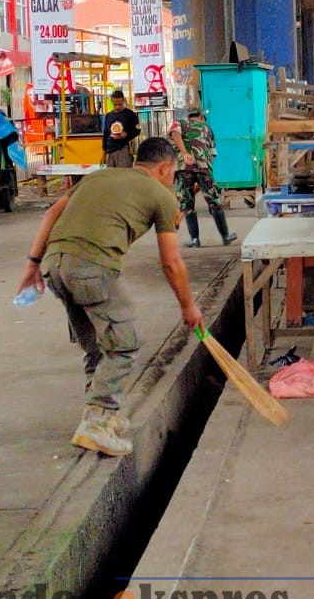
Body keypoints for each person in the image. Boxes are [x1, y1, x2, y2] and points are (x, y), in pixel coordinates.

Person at [16, 137, 204, 457]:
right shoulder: (161, 194)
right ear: (165, 167)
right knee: (124, 342)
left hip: (56, 265)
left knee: (96, 345)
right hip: (92, 267)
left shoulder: (98, 176)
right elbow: (171, 262)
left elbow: (51, 215)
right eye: (173, 173)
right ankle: (99, 419)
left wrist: (32, 264)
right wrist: (188, 306)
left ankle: (97, 416)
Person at [169, 107, 237, 247]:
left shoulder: (180, 123)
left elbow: (174, 133)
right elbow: (212, 153)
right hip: (203, 168)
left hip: (184, 169)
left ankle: (195, 239)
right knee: (214, 200)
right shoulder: (207, 128)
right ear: (201, 117)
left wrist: (184, 153)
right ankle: (225, 236)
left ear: (189, 116)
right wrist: (205, 168)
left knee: (187, 203)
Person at [101, 90, 140, 168]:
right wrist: (104, 152)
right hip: (110, 150)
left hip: (123, 149)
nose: (117, 107)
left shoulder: (130, 114)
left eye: (120, 104)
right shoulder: (108, 116)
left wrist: (126, 135)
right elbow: (106, 134)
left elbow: (137, 130)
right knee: (111, 176)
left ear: (123, 100)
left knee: (124, 175)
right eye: (115, 104)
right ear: (111, 101)